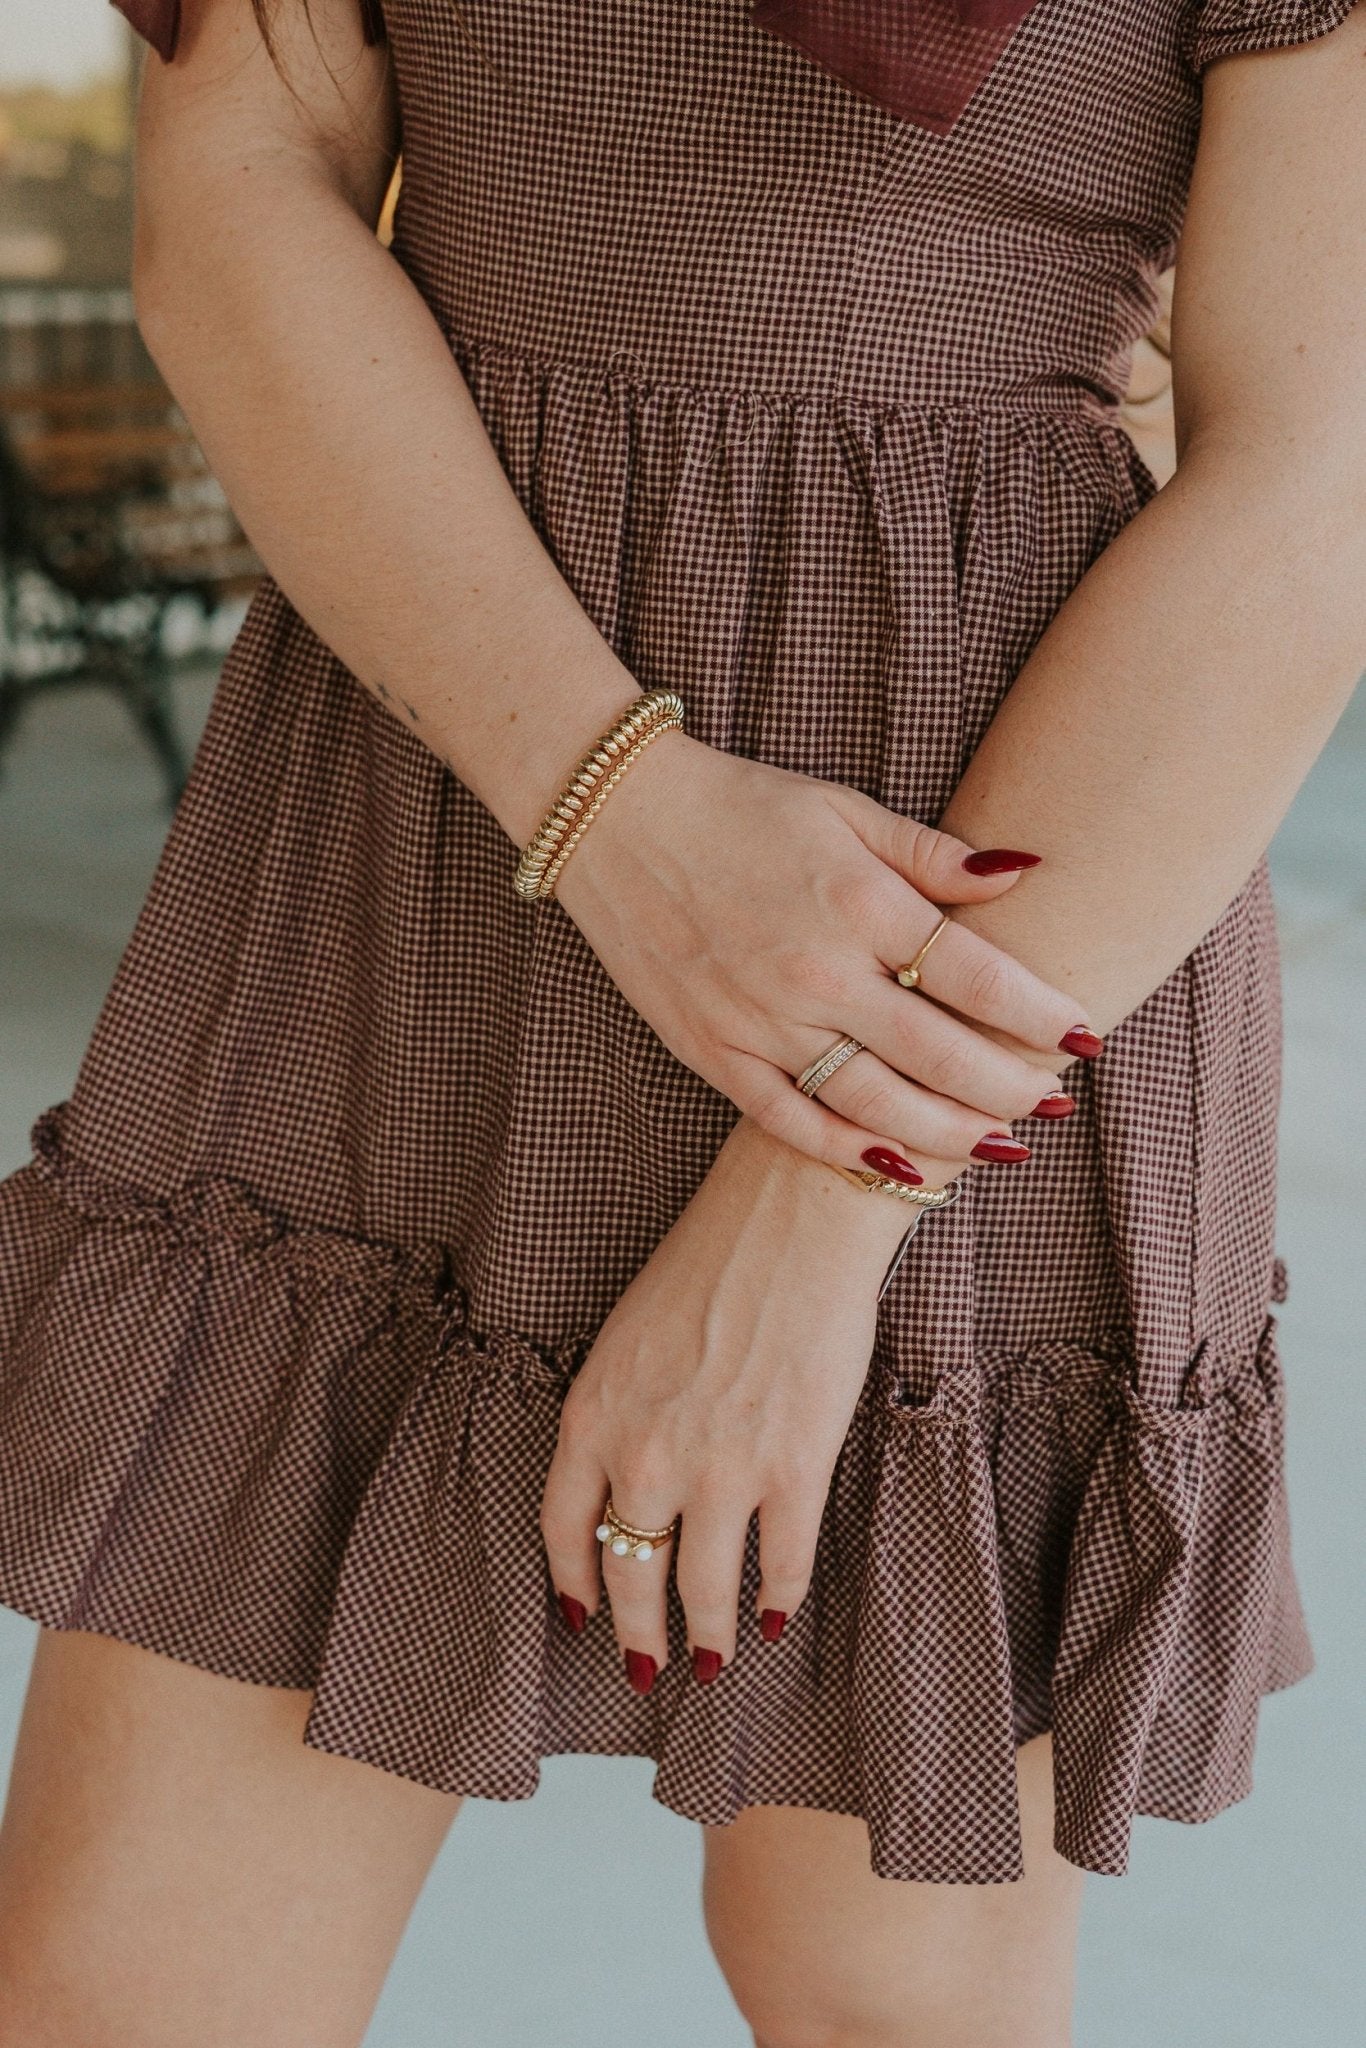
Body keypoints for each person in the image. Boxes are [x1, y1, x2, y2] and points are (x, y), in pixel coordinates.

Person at [0, 1, 1362, 2042]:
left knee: (885, 1993)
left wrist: (824, 1204)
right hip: (413, 829)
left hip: (991, 874)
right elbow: (240, 206)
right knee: (129, 1988)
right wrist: (615, 808)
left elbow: (1310, 487)